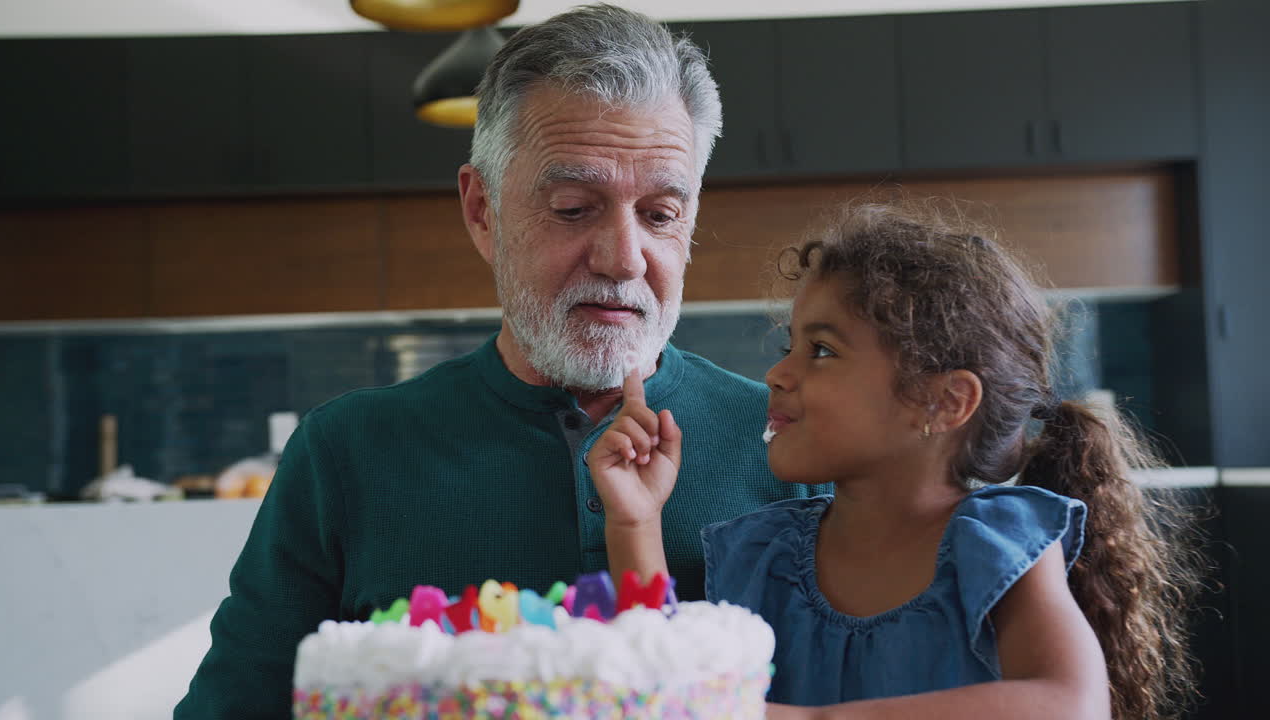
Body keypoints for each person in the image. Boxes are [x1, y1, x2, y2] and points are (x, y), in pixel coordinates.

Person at [174, 5, 826, 718]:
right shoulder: (345, 455)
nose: (623, 257)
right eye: (574, 208)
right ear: (482, 210)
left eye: (661, 214)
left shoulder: (793, 442)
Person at [590, 198, 1205, 720]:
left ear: (943, 400)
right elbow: (671, 683)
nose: (778, 373)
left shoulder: (994, 542)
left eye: (822, 351)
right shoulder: (764, 552)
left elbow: (1068, 703)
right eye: (790, 345)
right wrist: (635, 522)